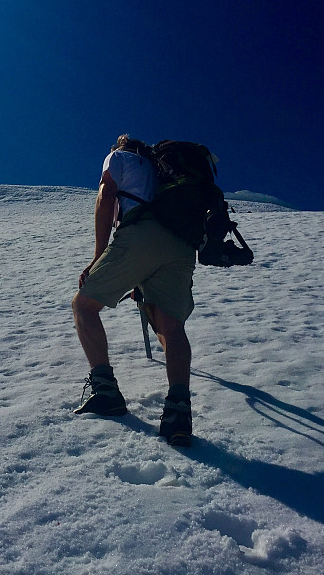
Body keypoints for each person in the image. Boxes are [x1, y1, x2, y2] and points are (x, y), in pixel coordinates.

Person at [71, 134, 196, 445]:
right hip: (180, 245)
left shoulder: (119, 158)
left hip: (140, 235)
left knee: (83, 305)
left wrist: (99, 254)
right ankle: (178, 412)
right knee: (171, 325)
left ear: (120, 146)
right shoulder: (160, 170)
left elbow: (106, 195)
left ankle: (106, 392)